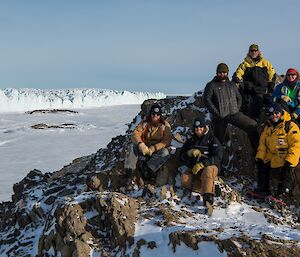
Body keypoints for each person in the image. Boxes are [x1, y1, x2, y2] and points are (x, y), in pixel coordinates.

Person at [203, 63, 258, 148]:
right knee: (218, 141)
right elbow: (207, 100)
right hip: (220, 117)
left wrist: (236, 109)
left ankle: (256, 150)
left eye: (224, 72)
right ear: (217, 73)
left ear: (227, 73)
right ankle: (217, 159)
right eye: (220, 72)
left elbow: (239, 98)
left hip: (234, 114)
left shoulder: (232, 84)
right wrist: (217, 113)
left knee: (252, 124)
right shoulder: (211, 85)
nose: (222, 74)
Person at [255, 103, 300, 196]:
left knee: (286, 174)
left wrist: (290, 160)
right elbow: (262, 144)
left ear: (281, 113)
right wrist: (260, 157)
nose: (274, 115)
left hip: (284, 156)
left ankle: (282, 194)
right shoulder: (268, 127)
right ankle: (263, 189)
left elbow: (296, 145)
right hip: (271, 156)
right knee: (262, 168)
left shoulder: (290, 126)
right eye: (272, 114)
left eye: (276, 113)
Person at [180, 117, 223, 213]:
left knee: (208, 171)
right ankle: (211, 187)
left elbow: (218, 157)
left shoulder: (212, 140)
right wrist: (188, 153)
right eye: (196, 128)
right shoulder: (191, 141)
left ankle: (208, 199)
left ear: (204, 128)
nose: (198, 129)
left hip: (210, 167)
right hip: (195, 170)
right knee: (184, 178)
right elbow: (181, 157)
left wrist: (203, 164)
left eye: (200, 127)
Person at [129, 103, 173, 184]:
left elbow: (167, 140)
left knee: (165, 153)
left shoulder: (165, 125)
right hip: (144, 148)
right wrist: (141, 145)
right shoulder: (144, 123)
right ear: (150, 114)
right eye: (153, 113)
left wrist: (154, 148)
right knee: (132, 147)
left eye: (158, 114)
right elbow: (135, 134)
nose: (155, 116)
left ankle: (148, 169)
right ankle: (129, 171)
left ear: (160, 115)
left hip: (156, 150)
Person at [232, 44, 276, 119]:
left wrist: (271, 84)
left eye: (255, 51)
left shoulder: (265, 62)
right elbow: (239, 72)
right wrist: (237, 78)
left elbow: (272, 73)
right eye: (252, 51)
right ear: (249, 52)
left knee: (264, 105)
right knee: (249, 106)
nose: (254, 52)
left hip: (261, 89)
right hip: (250, 90)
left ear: (258, 52)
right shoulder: (245, 63)